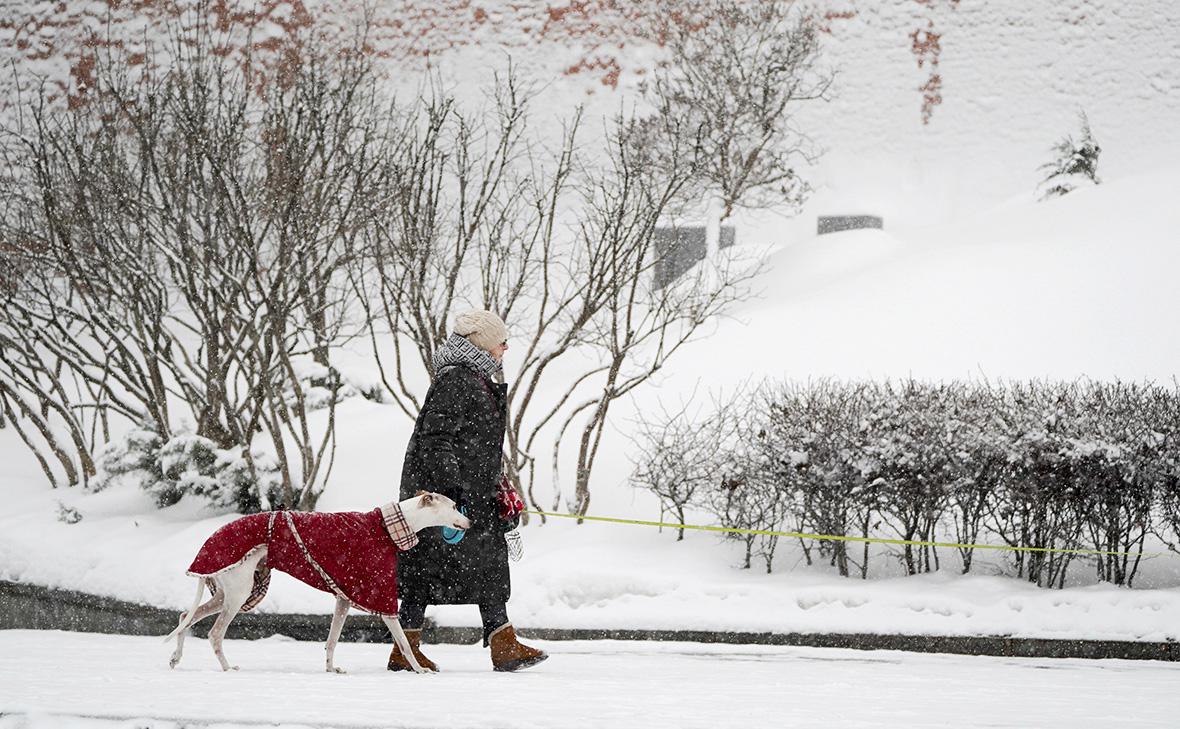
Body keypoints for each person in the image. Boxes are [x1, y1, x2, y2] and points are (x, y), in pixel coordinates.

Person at [388, 309, 548, 673]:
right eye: (500, 341)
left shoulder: (469, 378)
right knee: (430, 569)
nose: (505, 347)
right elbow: (436, 439)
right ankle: (407, 647)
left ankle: (499, 642)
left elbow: (470, 442)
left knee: (481, 565)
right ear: (482, 343)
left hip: (472, 492)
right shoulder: (458, 379)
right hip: (449, 498)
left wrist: (494, 480)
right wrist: (450, 492)